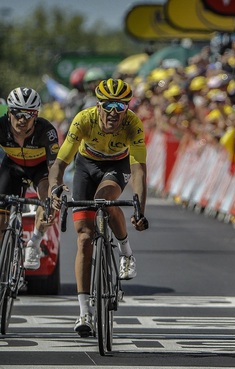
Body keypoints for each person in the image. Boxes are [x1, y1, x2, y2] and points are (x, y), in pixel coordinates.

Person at [48, 78, 149, 337]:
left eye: (121, 106)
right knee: (84, 238)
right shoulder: (84, 119)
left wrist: (140, 209)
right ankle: (84, 311)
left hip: (117, 166)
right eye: (109, 105)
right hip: (86, 166)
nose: (114, 112)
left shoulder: (133, 124)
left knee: (105, 199)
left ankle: (126, 252)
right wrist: (55, 189)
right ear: (98, 105)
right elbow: (60, 164)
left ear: (127, 107)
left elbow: (138, 170)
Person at [0, 87, 59, 270]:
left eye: (29, 114)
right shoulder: (1, 126)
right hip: (13, 167)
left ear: (36, 115)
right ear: (9, 112)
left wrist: (55, 190)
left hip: (40, 169)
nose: (22, 120)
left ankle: (34, 243)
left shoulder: (46, 131)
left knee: (46, 199)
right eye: (18, 114)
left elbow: (54, 167)